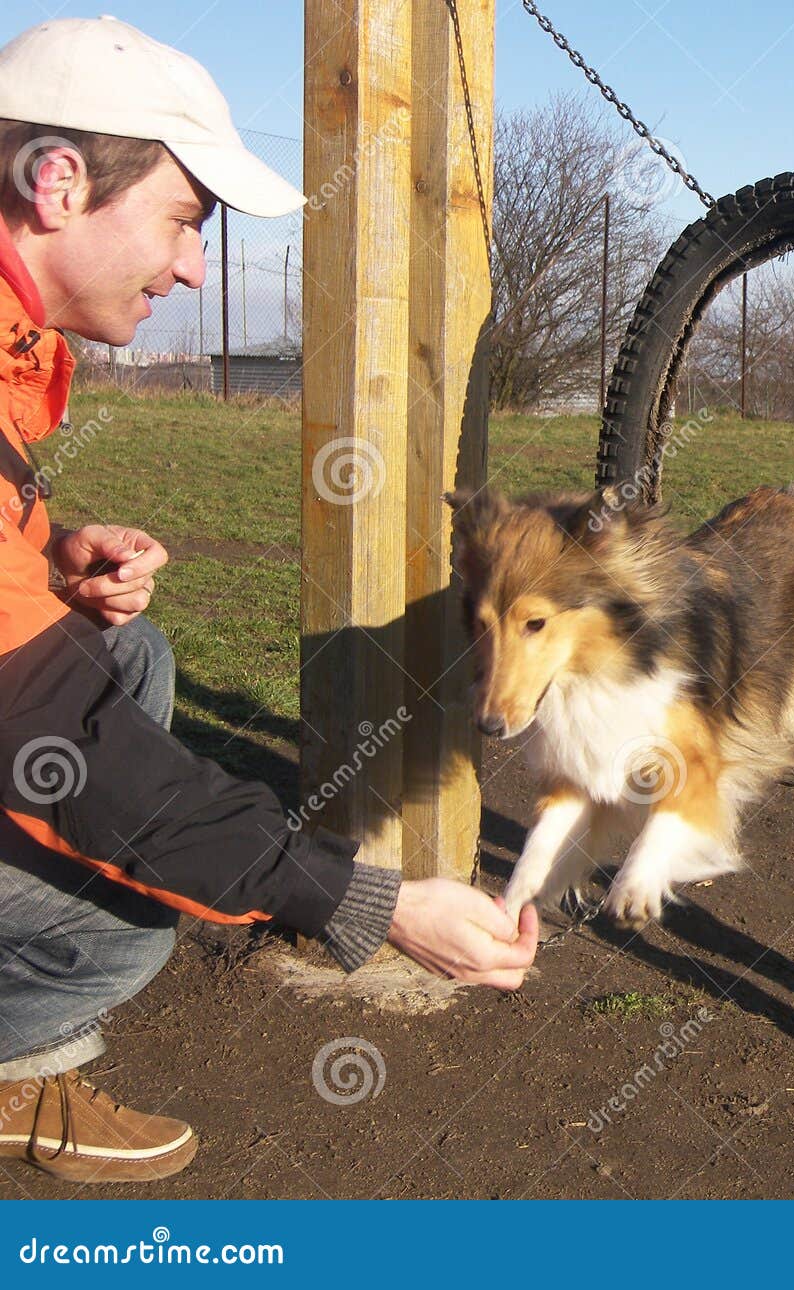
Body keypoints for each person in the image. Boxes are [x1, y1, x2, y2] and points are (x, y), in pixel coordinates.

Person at [0, 16, 537, 1184]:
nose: (195, 268)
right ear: (58, 184)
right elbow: (66, 749)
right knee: (115, 923)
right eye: (184, 220)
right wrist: (370, 903)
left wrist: (49, 566)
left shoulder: (15, 352)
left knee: (123, 659)